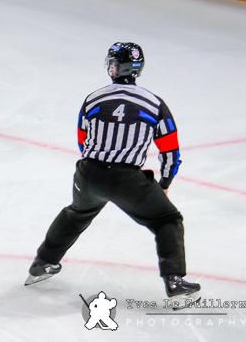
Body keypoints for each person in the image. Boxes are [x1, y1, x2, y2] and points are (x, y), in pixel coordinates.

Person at [25, 43, 201, 304]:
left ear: (116, 67)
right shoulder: (154, 103)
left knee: (76, 213)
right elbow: (170, 151)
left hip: (89, 173)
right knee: (167, 219)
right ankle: (174, 281)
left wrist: (97, 170)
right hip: (128, 180)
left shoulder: (94, 98)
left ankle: (42, 263)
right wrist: (164, 182)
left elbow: (83, 140)